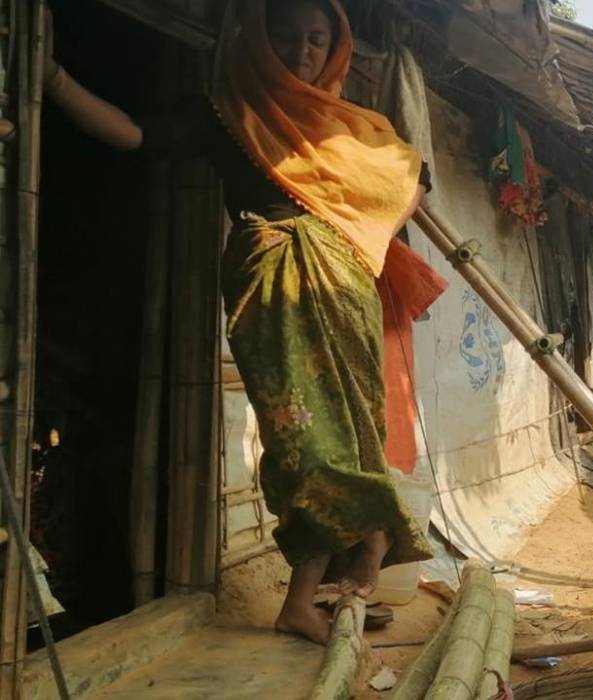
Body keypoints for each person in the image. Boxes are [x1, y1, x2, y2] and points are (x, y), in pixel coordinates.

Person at [43, 0, 448, 644]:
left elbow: (414, 177)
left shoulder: (357, 129)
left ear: (335, 48)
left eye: (315, 39)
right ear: (258, 43)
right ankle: (327, 577)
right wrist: (54, 82)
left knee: (358, 427)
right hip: (273, 290)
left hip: (347, 293)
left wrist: (368, 229)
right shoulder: (231, 114)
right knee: (305, 441)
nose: (301, 51)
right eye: (285, 36)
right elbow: (135, 134)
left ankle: (355, 557)